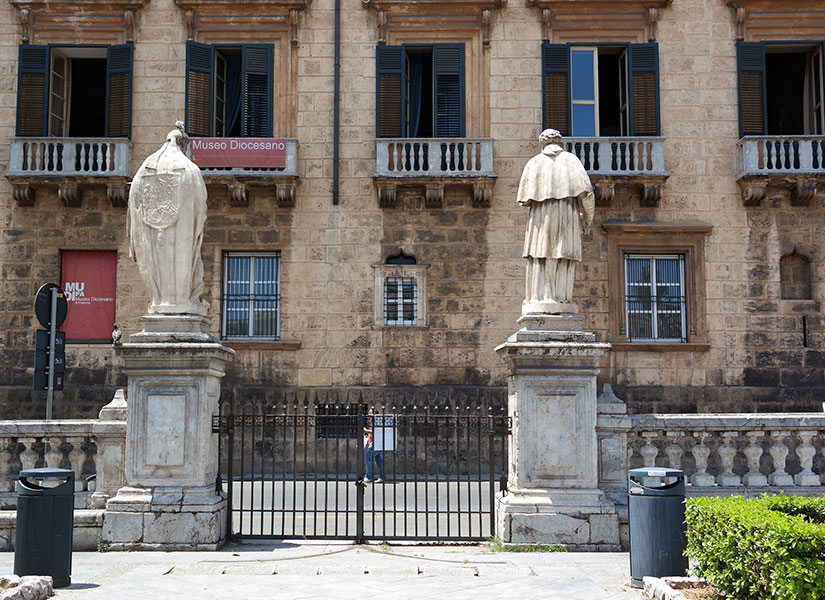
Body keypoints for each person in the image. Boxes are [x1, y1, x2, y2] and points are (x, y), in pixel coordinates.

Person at [517, 128, 595, 314]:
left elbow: (524, 199)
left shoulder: (533, 163)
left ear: (542, 143)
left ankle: (538, 297)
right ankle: (562, 297)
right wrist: (588, 219)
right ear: (560, 142)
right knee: (563, 254)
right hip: (567, 212)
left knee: (540, 254)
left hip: (540, 215)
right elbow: (587, 194)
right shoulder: (571, 161)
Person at [364, 407, 385, 483]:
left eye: (370, 412)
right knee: (379, 460)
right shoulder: (377, 421)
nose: (369, 414)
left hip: (375, 443)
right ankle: (382, 477)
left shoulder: (376, 420)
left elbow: (375, 431)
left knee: (368, 458)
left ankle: (368, 476)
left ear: (374, 412)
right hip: (377, 442)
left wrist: (365, 430)